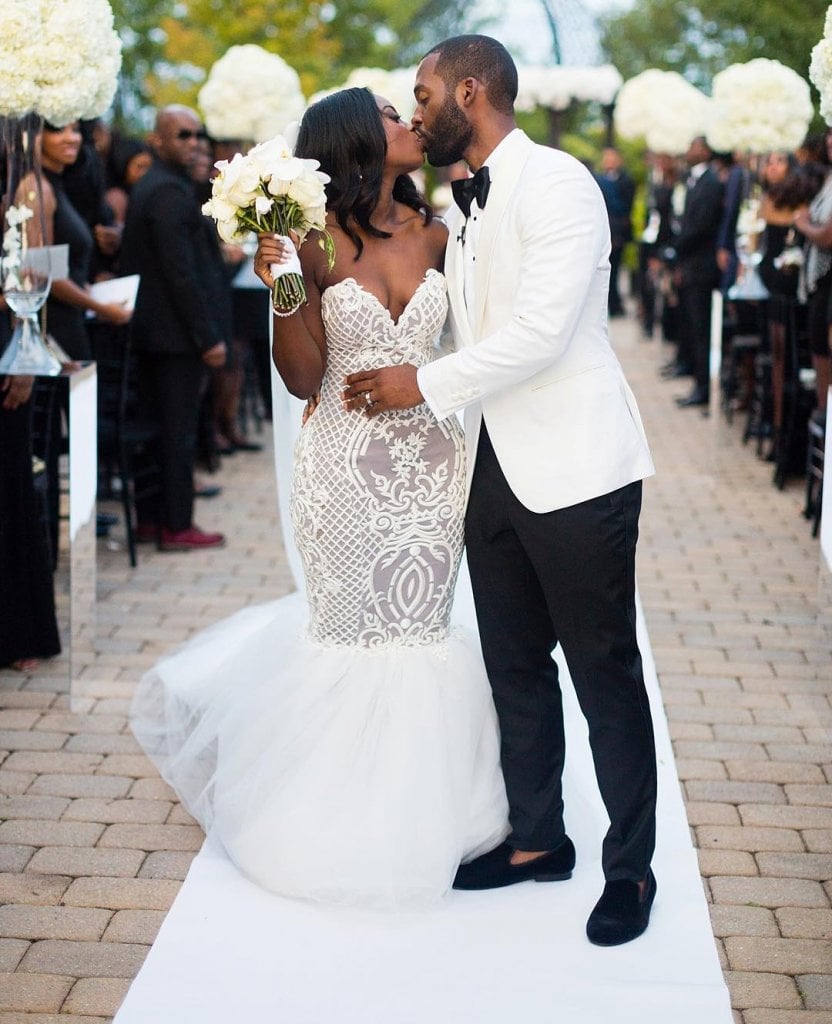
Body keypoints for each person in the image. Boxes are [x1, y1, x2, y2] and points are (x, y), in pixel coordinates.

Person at [130, 87, 509, 908]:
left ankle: (431, 811)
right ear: (350, 140)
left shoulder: (445, 232)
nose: (409, 122)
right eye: (388, 114)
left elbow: (479, 346)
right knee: (347, 632)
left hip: (436, 472)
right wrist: (283, 283)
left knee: (420, 628)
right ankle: (327, 821)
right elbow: (302, 375)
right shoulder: (309, 239)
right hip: (343, 470)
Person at [341, 35, 658, 946]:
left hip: (577, 469)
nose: (415, 107)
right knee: (514, 665)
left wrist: (417, 385)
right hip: (492, 469)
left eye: (423, 92)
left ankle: (629, 872)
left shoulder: (557, 183)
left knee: (603, 673)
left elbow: (543, 335)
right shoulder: (460, 199)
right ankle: (535, 841)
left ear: (469, 93)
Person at [120, 106, 227, 551]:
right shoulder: (165, 192)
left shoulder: (167, 187)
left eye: (198, 134)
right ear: (158, 140)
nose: (194, 142)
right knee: (174, 433)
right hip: (173, 338)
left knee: (159, 429)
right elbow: (179, 273)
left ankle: (152, 519)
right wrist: (207, 338)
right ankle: (175, 524)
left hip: (161, 335)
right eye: (182, 135)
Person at [670, 136, 724, 407]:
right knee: (692, 326)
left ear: (704, 150)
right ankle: (697, 381)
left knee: (701, 328)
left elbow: (701, 225)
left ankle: (703, 388)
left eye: (692, 146)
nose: (688, 150)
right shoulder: (693, 180)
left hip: (702, 266)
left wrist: (674, 248)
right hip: (690, 264)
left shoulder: (711, 183)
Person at [595, 146, 635, 317]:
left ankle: (615, 305)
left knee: (615, 269)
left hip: (617, 231)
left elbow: (625, 207)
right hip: (603, 229)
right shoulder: (598, 179)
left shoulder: (626, 180)